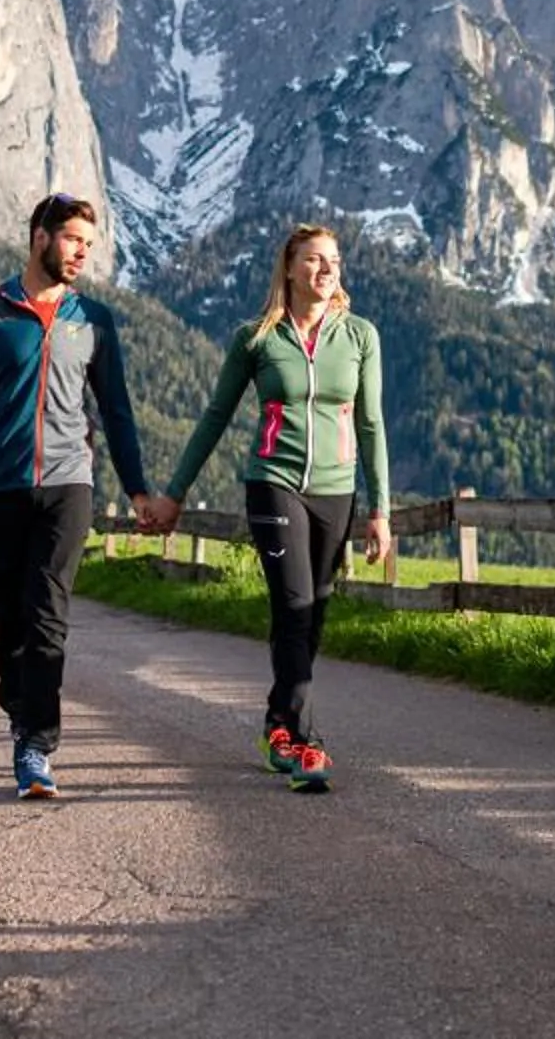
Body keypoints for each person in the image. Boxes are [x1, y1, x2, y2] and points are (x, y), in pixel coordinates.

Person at [0, 192, 175, 799]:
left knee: (47, 615)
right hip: (4, 486)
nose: (80, 253)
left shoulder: (93, 319)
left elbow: (116, 412)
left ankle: (36, 744)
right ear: (39, 237)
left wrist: (137, 489)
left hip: (71, 485)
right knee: (7, 618)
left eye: (88, 246)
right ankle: (21, 705)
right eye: (72, 239)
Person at [148, 223, 389, 792]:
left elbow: (372, 424)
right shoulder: (256, 338)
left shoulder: (360, 336)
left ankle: (278, 723)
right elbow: (214, 418)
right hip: (273, 482)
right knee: (295, 601)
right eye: (312, 260)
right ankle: (306, 745)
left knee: (313, 613)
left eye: (333, 260)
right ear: (288, 269)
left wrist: (380, 508)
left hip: (336, 490)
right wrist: (175, 493)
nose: (325, 270)